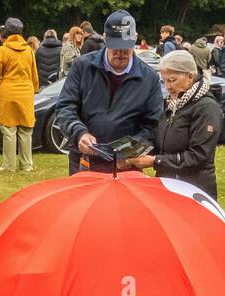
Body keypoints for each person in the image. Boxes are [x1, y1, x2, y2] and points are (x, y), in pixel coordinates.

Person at [56, 10, 161, 175]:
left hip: (127, 166)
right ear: (104, 38)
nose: (120, 52)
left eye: (126, 47)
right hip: (85, 161)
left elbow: (153, 124)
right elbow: (65, 107)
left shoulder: (149, 77)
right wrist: (79, 133)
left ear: (135, 37)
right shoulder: (83, 67)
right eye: (115, 46)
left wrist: (131, 150)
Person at [122, 49, 221, 197]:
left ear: (190, 77)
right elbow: (161, 141)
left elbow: (198, 156)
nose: (167, 87)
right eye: (164, 81)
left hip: (194, 190)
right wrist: (130, 153)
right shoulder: (171, 103)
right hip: (168, 185)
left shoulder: (207, 108)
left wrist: (155, 161)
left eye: (172, 80)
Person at [0, 17, 37, 172]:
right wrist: (33, 89)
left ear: (7, 32)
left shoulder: (1, 51)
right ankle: (27, 164)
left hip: (8, 92)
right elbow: (34, 75)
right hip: (26, 93)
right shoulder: (29, 50)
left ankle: (9, 165)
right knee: (26, 130)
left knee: (9, 130)